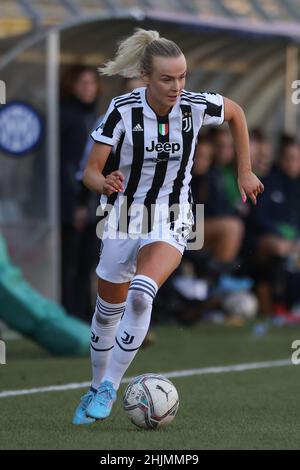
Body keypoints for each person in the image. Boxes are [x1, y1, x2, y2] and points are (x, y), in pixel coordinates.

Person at [72, 28, 264, 425]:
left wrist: (244, 170)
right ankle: (94, 386)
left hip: (174, 213)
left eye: (183, 77)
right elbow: (90, 171)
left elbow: (236, 113)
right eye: (167, 78)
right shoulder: (122, 110)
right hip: (122, 215)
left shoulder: (194, 106)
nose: (177, 86)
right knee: (108, 309)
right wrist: (103, 181)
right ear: (146, 76)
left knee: (142, 294)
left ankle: (110, 386)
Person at [60, 65, 102, 320]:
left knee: (89, 260)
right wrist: (74, 204)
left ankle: (85, 313)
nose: (88, 88)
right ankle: (69, 313)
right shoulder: (66, 116)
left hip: (91, 202)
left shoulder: (95, 116)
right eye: (82, 82)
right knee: (70, 261)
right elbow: (67, 165)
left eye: (92, 83)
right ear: (71, 85)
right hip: (71, 203)